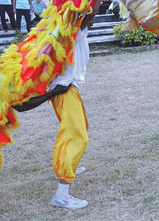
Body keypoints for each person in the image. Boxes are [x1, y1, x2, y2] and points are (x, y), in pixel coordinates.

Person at [49, 13, 95, 210]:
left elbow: (90, 15)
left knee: (79, 128)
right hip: (65, 89)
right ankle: (61, 195)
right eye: (87, 18)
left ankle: (68, 164)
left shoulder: (78, 33)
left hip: (67, 89)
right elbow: (91, 12)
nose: (92, 20)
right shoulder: (70, 34)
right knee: (77, 137)